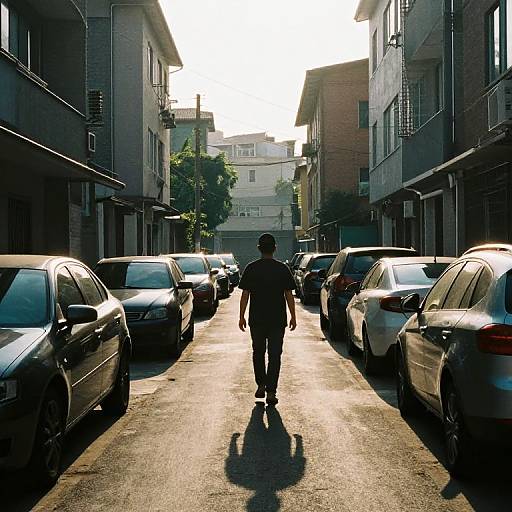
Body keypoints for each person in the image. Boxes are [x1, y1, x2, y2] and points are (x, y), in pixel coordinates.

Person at [238, 233, 297, 406]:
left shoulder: (251, 268)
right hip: (277, 320)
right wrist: (293, 316)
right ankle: (271, 392)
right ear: (275, 248)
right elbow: (289, 294)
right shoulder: (282, 269)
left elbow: (245, 294)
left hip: (256, 319)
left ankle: (261, 384)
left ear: (259, 249)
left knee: (258, 353)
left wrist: (241, 316)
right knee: (275, 355)